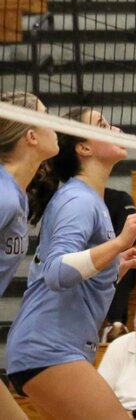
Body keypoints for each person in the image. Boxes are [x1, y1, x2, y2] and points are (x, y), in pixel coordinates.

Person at [5, 107, 136, 420]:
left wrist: (114, 265)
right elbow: (57, 272)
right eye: (102, 125)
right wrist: (118, 244)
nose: (115, 129)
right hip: (47, 348)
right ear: (84, 148)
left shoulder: (89, 199)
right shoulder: (79, 200)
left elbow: (75, 274)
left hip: (51, 349)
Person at [0, 92, 59, 420]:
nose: (56, 123)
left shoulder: (16, 196)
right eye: (47, 115)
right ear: (31, 136)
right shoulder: (5, 196)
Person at [100, 187, 136, 342]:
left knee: (127, 259)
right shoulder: (67, 200)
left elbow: (130, 240)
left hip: (107, 260)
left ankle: (114, 324)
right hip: (79, 265)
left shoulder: (120, 198)